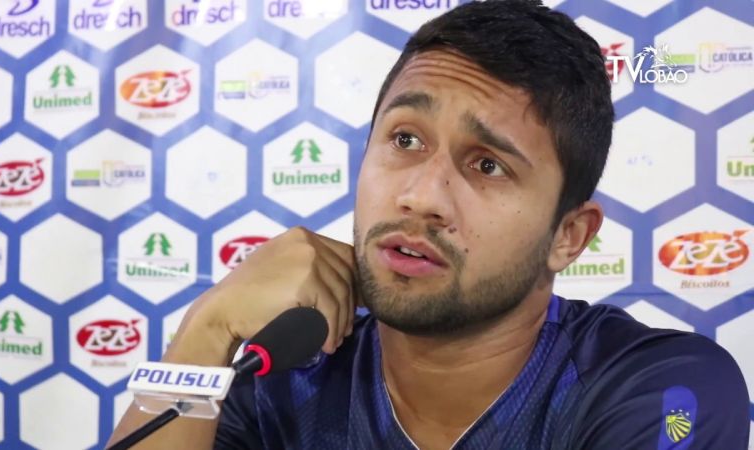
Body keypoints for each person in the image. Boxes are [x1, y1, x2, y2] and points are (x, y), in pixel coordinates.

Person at [109, 1, 750, 449]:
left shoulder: (657, 386)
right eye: (406, 139)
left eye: (488, 165)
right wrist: (206, 330)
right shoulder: (277, 381)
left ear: (569, 236)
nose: (420, 197)